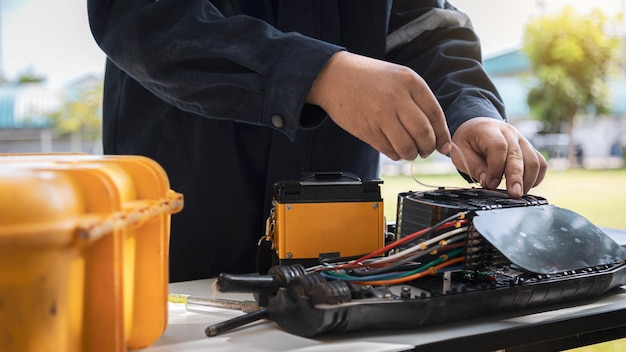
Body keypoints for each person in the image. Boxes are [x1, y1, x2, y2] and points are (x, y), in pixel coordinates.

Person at [87, 0, 547, 282]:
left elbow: (426, 28)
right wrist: (317, 75)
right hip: (180, 238)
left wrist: (471, 110)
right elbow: (139, 15)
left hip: (343, 256)